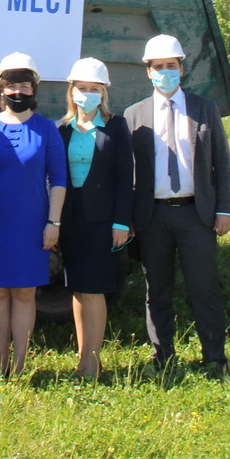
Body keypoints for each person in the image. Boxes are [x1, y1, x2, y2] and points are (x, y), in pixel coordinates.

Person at [125, 34, 230, 373]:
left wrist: (224, 208)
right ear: (148, 72)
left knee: (204, 288)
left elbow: (222, 162)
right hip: (152, 215)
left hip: (196, 214)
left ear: (182, 69)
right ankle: (163, 355)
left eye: (170, 66)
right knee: (156, 290)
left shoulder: (204, 108)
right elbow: (127, 172)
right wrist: (127, 218)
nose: (164, 72)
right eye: (158, 67)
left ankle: (214, 356)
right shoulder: (134, 115)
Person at [0, 53, 67, 378]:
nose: (17, 91)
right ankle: (1, 364)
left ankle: (21, 364)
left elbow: (59, 180)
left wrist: (53, 223)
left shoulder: (47, 129)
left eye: (24, 84)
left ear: (34, 88)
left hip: (32, 224)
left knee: (25, 293)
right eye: (11, 85)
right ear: (0, 89)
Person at [55, 57, 133, 378]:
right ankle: (82, 354)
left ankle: (92, 359)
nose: (87, 94)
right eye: (81, 88)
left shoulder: (116, 126)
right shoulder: (61, 129)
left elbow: (124, 177)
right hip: (71, 221)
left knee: (95, 288)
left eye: (94, 89)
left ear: (104, 93)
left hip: (102, 223)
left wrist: (121, 222)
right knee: (77, 288)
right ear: (72, 91)